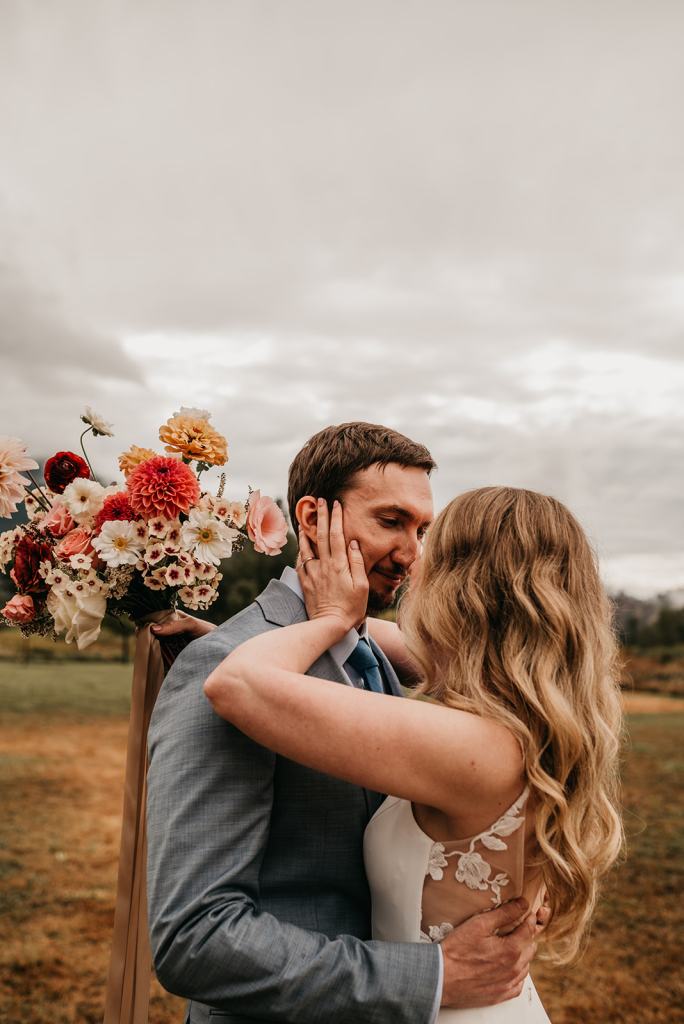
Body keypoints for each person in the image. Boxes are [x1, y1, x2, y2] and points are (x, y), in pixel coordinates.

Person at [147, 423, 539, 1024]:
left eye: (422, 530)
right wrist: (430, 978)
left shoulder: (367, 647)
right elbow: (195, 941)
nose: (412, 554)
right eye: (390, 521)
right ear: (310, 517)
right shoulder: (223, 667)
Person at [200, 487, 624, 1022]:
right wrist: (274, 622)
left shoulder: (479, 748)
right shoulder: (525, 719)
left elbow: (237, 682)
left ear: (464, 588)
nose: (410, 560)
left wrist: (330, 619)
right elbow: (392, 643)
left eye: (429, 546)